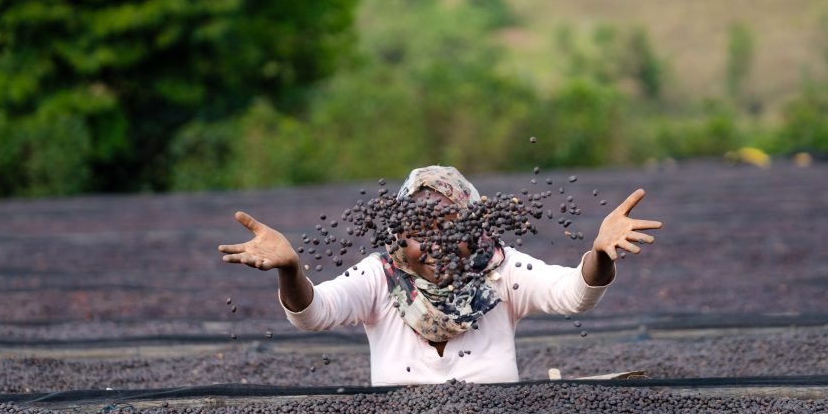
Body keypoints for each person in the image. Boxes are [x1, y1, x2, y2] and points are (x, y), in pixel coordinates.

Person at [218, 166, 662, 385]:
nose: (435, 246)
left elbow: (574, 295)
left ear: (477, 225)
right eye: (418, 233)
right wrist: (292, 270)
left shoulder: (502, 270)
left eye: (453, 229)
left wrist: (601, 254)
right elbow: (313, 313)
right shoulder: (379, 276)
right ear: (397, 234)